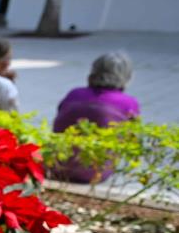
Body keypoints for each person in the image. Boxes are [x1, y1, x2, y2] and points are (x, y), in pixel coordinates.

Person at [49, 52, 139, 183]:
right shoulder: (128, 103)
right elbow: (132, 138)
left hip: (57, 166)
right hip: (95, 172)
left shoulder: (74, 94)